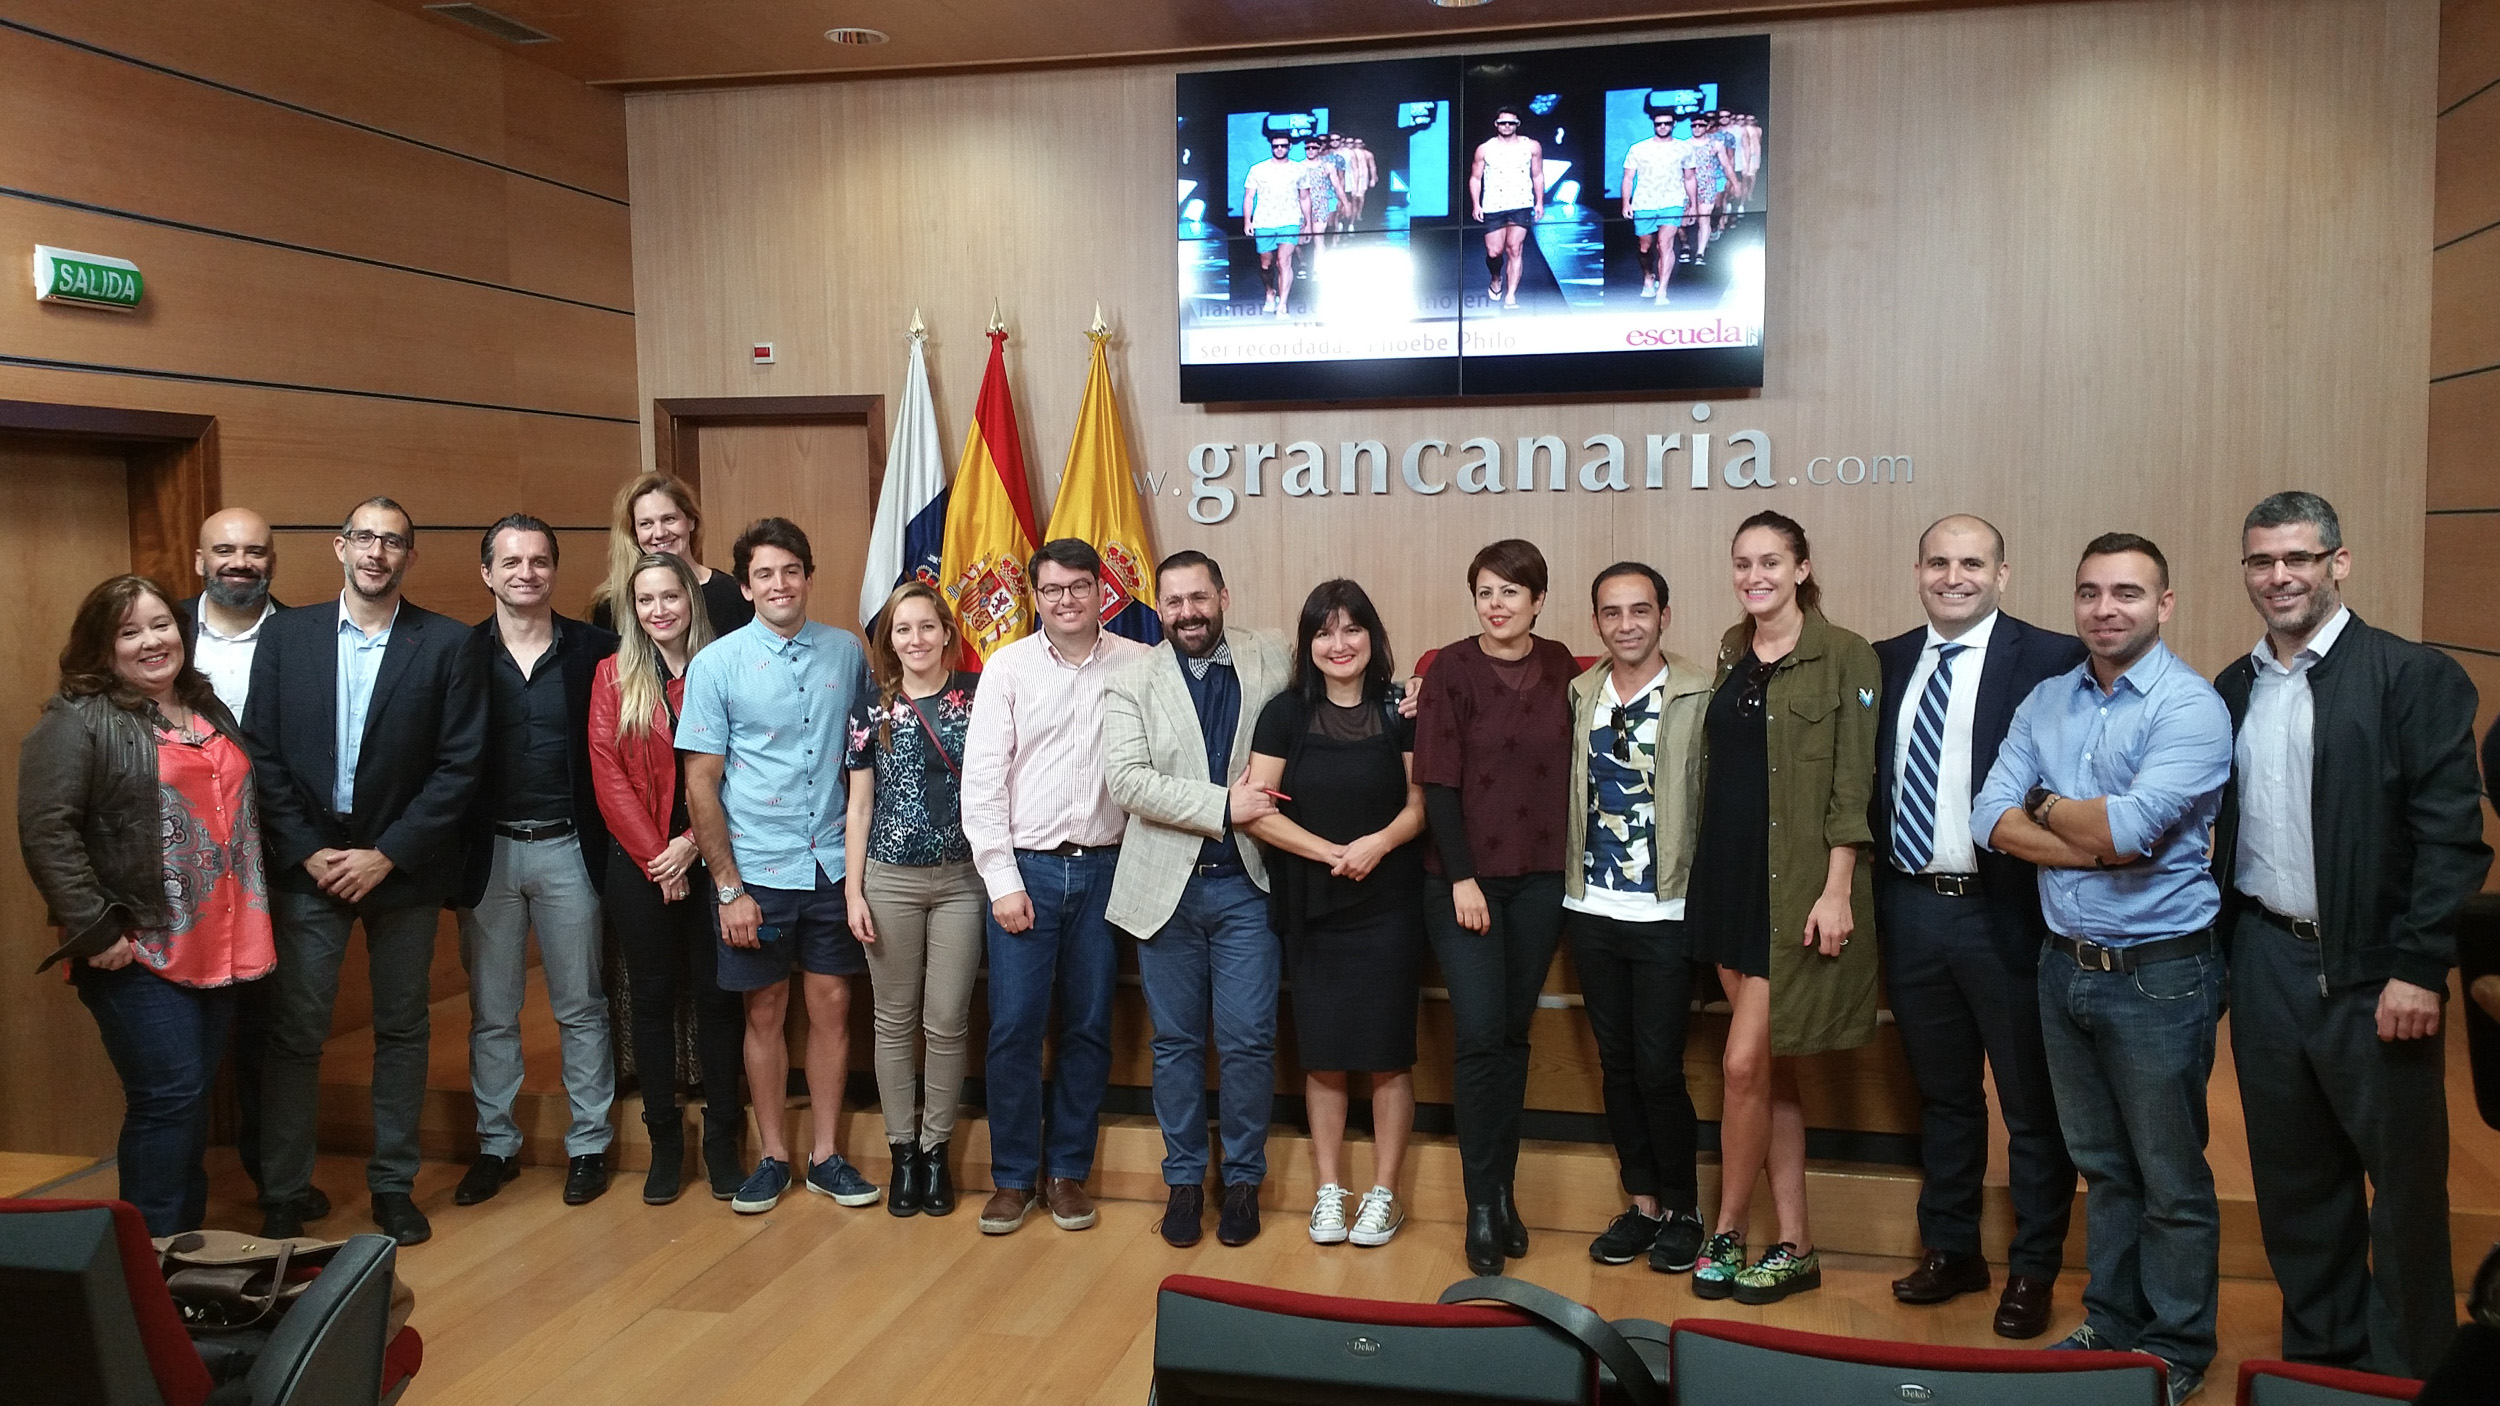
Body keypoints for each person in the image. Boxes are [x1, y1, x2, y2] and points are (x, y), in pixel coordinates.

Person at [2213, 491, 2489, 1377]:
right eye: (2263, 561)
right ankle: (2321, 1371)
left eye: (2299, 557)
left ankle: (2410, 1373)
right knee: (2296, 1188)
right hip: (2265, 960)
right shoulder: (2234, 685)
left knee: (2403, 1193)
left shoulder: (2412, 676)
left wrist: (2419, 969)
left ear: (2340, 562)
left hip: (2378, 973)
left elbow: (2453, 840)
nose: (2280, 576)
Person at [1974, 532, 2233, 1406]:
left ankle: (2177, 1342)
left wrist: (2047, 807)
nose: (2104, 609)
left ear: (2163, 605)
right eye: (2090, 593)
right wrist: (2086, 841)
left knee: (2169, 1177)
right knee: (2105, 1168)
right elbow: (1987, 817)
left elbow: (2130, 829)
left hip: (2161, 975)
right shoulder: (2049, 699)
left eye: (2127, 593)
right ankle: (2112, 1324)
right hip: (2064, 967)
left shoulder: (2190, 708)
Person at [243, 497, 485, 1246]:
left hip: (402, 867)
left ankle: (392, 1186)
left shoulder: (445, 644)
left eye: (394, 542)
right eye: (365, 538)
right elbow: (261, 750)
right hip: (309, 864)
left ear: (410, 557)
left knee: (403, 1029)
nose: (377, 553)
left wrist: (388, 853)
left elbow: (459, 766)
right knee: (295, 1032)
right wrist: (308, 848)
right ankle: (283, 1190)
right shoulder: (287, 636)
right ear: (338, 546)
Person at [1871, 516, 2084, 1339]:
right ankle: (1952, 1248)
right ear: (1917, 569)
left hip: (2010, 912)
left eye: (1971, 563)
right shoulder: (1886, 662)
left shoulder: (2053, 659)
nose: (1952, 576)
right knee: (1945, 1096)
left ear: (2002, 574)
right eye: (1938, 561)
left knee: (2031, 1107)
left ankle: (2033, 1268)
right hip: (1912, 908)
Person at [18, 575, 274, 1235]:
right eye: (128, 632)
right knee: (168, 1099)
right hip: (136, 946)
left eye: (160, 624)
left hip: (219, 943)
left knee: (185, 1102)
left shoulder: (205, 706)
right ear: (103, 649)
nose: (150, 641)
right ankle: (150, 1265)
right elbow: (48, 830)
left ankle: (181, 1254)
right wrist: (95, 926)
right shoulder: (77, 719)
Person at [1685, 510, 1881, 1305]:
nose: (1754, 575)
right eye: (1742, 563)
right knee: (1769, 1072)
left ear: (1802, 568)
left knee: (1740, 1065)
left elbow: (1851, 786)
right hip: (1729, 880)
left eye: (1771, 561)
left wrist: (1837, 890)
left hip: (1797, 892)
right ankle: (1796, 1242)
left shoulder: (1844, 655)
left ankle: (1727, 1228)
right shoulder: (1735, 651)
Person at [679, 517, 880, 1215]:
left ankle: (826, 1155)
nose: (779, 584)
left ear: (808, 577)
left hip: (830, 864)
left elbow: (862, 765)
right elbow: (701, 784)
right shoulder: (716, 664)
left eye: (791, 571)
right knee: (763, 1012)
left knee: (831, 1005)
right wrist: (727, 887)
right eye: (764, 574)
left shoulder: (847, 653)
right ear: (746, 585)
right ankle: (772, 1155)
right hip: (756, 869)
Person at [960, 538, 1152, 1235]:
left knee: (1089, 1027)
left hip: (1107, 869)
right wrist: (1001, 881)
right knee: (1013, 1028)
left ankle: (1067, 1173)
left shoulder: (1140, 662)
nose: (1066, 600)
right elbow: (982, 784)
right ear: (1034, 596)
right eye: (1052, 590)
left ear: (1102, 590)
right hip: (1027, 871)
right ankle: (1013, 1178)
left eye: (1078, 586)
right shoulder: (1007, 668)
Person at [1103, 551, 1290, 1250]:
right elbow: (1128, 782)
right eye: (1173, 601)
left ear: (1223, 594)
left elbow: (1343, 680)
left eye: (1198, 598)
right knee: (1176, 1045)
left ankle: (1242, 1181)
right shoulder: (1131, 679)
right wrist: (1225, 805)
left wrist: (1407, 695)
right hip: (1166, 891)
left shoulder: (1272, 654)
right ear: (1159, 607)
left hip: (1248, 885)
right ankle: (1183, 1181)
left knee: (1246, 1043)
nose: (1187, 612)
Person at [1244, 579, 1425, 1251]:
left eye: (1352, 630)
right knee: (1322, 1054)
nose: (1339, 644)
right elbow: (1260, 810)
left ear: (1372, 638)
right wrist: (1330, 853)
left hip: (1388, 901)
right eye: (1324, 632)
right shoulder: (1284, 713)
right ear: (1308, 643)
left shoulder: (1399, 708)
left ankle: (1383, 1193)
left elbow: (1420, 802)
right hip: (1313, 901)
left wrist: (1377, 845)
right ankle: (1329, 1189)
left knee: (1386, 1053)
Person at [1412, 538, 1576, 1277]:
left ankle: (1505, 1192)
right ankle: (1480, 1203)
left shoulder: (1563, 667)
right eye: (1485, 591)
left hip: (1542, 879)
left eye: (1512, 592)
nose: (1497, 604)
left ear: (1539, 600)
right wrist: (1462, 879)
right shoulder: (1450, 668)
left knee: (1513, 1035)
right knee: (1479, 1035)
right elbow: (1438, 784)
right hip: (1464, 881)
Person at [450, 515, 620, 1210]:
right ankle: (496, 1146)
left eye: (540, 560)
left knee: (581, 1004)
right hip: (486, 852)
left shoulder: (597, 652)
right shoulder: (456, 654)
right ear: (487, 573)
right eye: (511, 561)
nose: (527, 572)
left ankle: (589, 1145)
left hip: (569, 849)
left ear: (555, 570)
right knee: (492, 1009)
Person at [1564, 563, 1712, 1275]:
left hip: (1667, 912)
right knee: (1616, 1065)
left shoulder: (1697, 694)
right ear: (1596, 621)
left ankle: (1684, 1207)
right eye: (1612, 612)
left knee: (1658, 1067)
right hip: (1590, 907)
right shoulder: (1580, 692)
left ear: (1665, 615)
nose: (1627, 624)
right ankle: (1644, 1202)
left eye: (1640, 610)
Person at [589, 551, 747, 1206]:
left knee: (717, 1001)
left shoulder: (729, 668)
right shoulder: (611, 675)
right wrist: (658, 854)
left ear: (692, 601)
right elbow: (606, 770)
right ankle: (664, 1143)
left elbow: (744, 766)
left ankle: (722, 1143)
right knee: (649, 1002)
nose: (659, 610)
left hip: (714, 861)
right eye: (646, 600)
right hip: (638, 865)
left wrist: (691, 846)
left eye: (670, 597)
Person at [842, 581, 983, 1219]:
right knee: (893, 1020)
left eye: (927, 627)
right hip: (889, 880)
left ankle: (936, 1152)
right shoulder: (871, 708)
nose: (916, 640)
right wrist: (853, 891)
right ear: (889, 640)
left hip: (962, 881)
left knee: (947, 1020)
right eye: (903, 630)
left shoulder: (980, 697)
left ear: (948, 633)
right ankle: (901, 1153)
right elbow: (860, 804)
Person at [176, 506, 292, 1213]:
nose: (239, 562)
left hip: (271, 862)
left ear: (271, 561)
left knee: (267, 1031)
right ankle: (178, 1198)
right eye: (225, 550)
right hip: (181, 871)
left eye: (254, 550)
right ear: (200, 561)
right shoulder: (163, 634)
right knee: (184, 1040)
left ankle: (270, 1179)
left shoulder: (306, 635)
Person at [589, 472, 756, 639]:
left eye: (669, 519)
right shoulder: (612, 604)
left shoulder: (733, 595)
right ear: (634, 533)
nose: (660, 533)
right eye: (646, 524)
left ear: (691, 521)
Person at [1470, 108, 1544, 308]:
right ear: (1496, 124)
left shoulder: (1532, 146)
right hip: (1493, 204)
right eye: (1503, 123)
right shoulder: (1485, 149)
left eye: (1511, 123)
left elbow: (1537, 174)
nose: (1507, 126)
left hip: (1521, 203)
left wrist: (1539, 202)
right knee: (1494, 252)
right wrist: (1476, 203)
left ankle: (1511, 296)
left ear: (1517, 124)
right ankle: (1496, 277)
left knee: (1514, 249)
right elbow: (1476, 178)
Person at [1621, 114, 1696, 304]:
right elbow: (1628, 177)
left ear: (1674, 124)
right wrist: (1626, 203)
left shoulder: (1684, 148)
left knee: (1665, 244)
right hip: (1644, 202)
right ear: (1653, 124)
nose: (1662, 126)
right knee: (1644, 247)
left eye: (1667, 123)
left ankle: (1662, 291)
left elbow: (1689, 178)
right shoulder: (1639, 148)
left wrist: (1693, 204)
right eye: (1658, 123)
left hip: (1673, 200)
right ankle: (1648, 276)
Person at [1243, 135, 1312, 317]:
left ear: (1289, 146)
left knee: (1284, 262)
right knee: (1266, 264)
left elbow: (1305, 198)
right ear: (1271, 147)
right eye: (1276, 146)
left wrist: (1308, 222)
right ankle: (1269, 292)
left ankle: (1282, 304)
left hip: (1290, 220)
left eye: (1283, 145)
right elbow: (1249, 197)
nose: (1279, 149)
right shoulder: (1258, 169)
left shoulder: (1299, 169)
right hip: (1264, 221)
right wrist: (1247, 221)